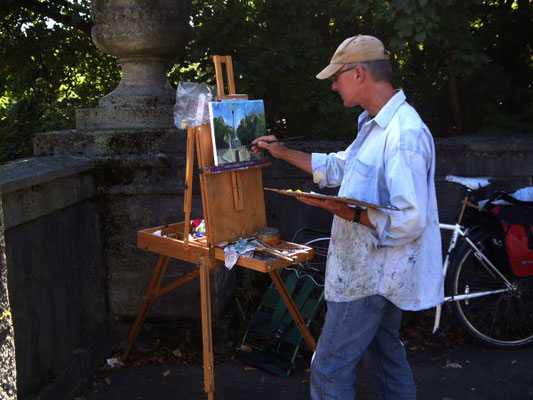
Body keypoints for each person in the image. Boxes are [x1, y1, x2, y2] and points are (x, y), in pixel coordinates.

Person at [252, 34, 444, 399]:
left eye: (336, 76)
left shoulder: (404, 134)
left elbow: (410, 219)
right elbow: (343, 167)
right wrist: (283, 153)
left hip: (370, 279)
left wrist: (347, 212)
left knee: (329, 368)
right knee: (385, 358)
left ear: (359, 74)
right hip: (373, 274)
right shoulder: (375, 125)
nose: (333, 84)